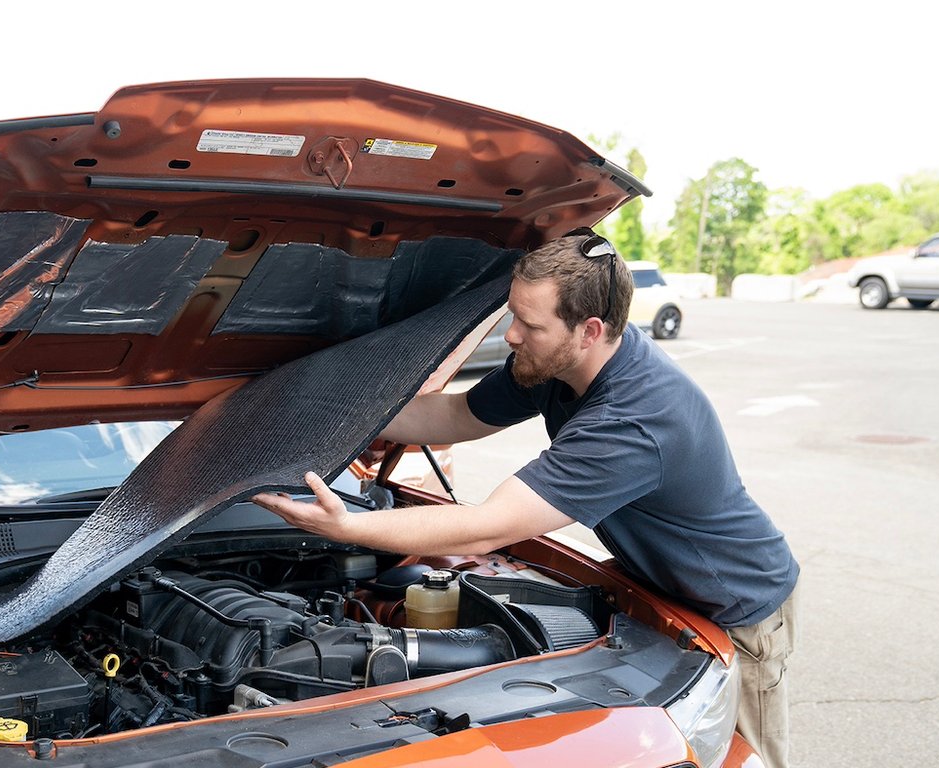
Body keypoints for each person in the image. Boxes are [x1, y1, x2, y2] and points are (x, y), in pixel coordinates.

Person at [252, 230, 799, 768]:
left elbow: (490, 526)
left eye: (530, 325)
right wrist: (325, 406)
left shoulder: (635, 421)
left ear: (588, 330)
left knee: (737, 758)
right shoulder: (558, 361)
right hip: (653, 586)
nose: (512, 335)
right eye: (513, 315)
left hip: (733, 609)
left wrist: (347, 526)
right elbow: (457, 414)